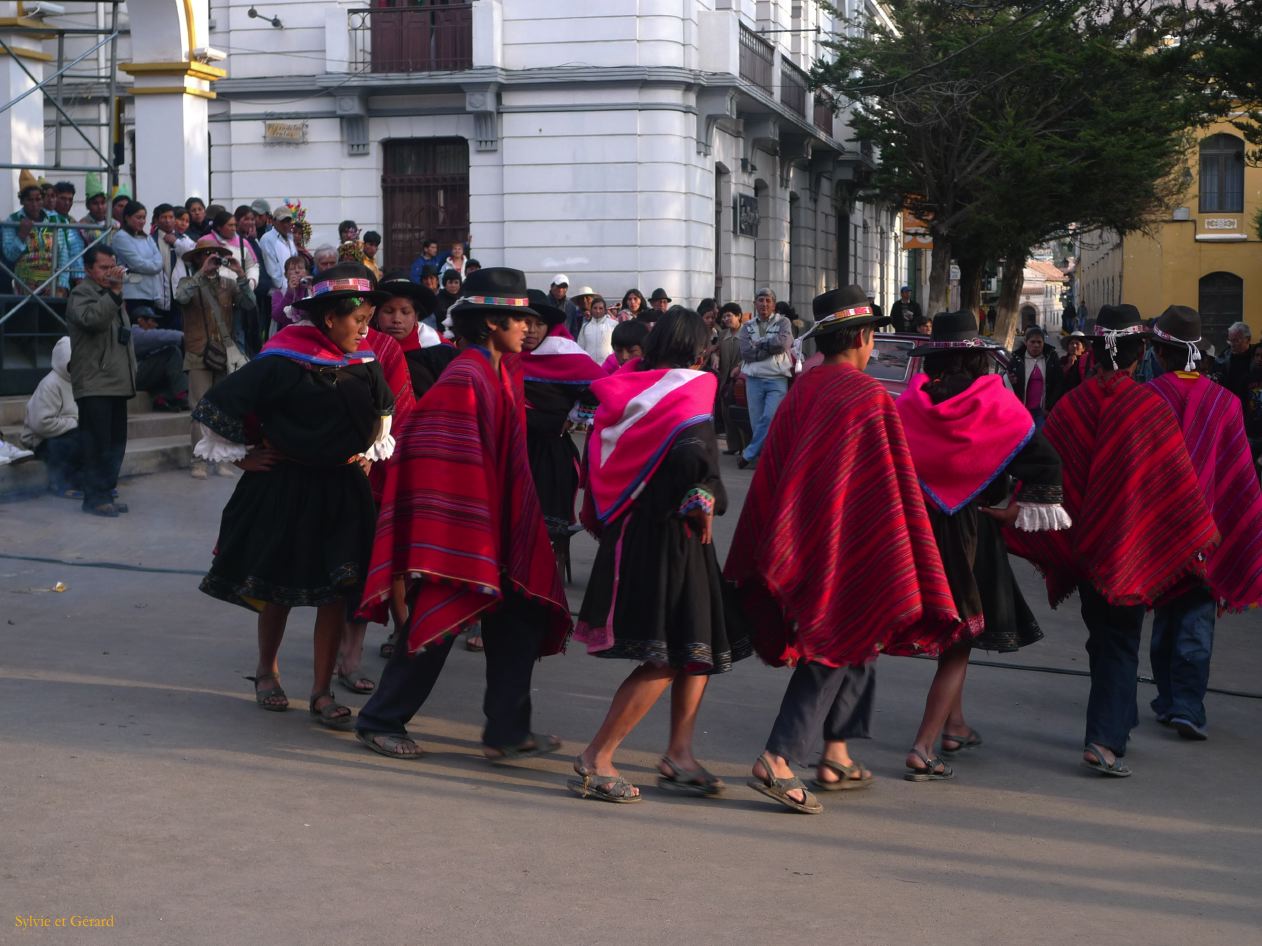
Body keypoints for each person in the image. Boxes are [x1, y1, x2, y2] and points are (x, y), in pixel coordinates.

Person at [725, 285, 961, 813]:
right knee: (835, 636)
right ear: (860, 336)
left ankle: (835, 751)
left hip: (810, 533)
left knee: (861, 629)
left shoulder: (805, 388)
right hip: (840, 537)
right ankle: (779, 757)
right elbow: (886, 477)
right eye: (872, 333)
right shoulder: (867, 396)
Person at [352, 267, 571, 761]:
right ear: (492, 324)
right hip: (460, 529)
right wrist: (463, 525)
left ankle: (507, 731)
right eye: (520, 320)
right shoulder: (466, 375)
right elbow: (429, 450)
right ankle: (379, 719)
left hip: (498, 527)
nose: (529, 329)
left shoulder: (501, 372)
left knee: (519, 621)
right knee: (437, 620)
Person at [1005, 304, 1219, 777]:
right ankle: (1103, 740)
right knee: (1120, 641)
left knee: (1103, 639)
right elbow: (1175, 489)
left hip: (1085, 550)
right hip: (1129, 548)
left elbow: (1046, 477)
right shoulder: (1148, 407)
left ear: (1097, 350)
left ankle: (1117, 721)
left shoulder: (1072, 405)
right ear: (1140, 351)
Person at [192, 261, 395, 730]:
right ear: (329, 319)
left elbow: (385, 408)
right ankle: (267, 672)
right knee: (279, 586)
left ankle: (321, 692)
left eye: (368, 320)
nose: (366, 331)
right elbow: (215, 405)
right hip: (287, 486)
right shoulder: (283, 360)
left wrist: (369, 450)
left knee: (334, 594)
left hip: (342, 491)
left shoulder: (362, 363)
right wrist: (242, 457)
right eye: (358, 320)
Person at [568, 308, 751, 803]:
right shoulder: (692, 388)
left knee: (697, 649)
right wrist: (706, 494)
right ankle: (596, 758)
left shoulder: (629, 388)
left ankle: (680, 753)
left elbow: (599, 453)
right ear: (700, 350)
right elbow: (695, 456)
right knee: (666, 656)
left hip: (640, 529)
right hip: (669, 536)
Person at [896, 310, 1069, 781]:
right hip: (974, 534)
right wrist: (1017, 510)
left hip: (921, 533)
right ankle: (923, 746)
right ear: (978, 360)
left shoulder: (910, 405)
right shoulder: (995, 403)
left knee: (955, 634)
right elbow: (1045, 463)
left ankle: (954, 726)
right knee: (960, 641)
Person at [1145, 305, 1262, 740]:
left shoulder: (1150, 397)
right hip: (1211, 532)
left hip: (1162, 533)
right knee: (1196, 621)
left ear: (1161, 352)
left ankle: (1172, 701)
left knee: (1166, 620)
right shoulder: (1224, 403)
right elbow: (1240, 476)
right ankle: (1185, 707)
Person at [519, 288, 605, 569]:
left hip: (550, 451)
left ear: (550, 326)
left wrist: (573, 415)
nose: (531, 330)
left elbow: (602, 391)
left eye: (539, 324)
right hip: (513, 446)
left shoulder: (565, 354)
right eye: (525, 322)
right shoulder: (505, 356)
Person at [66, 245, 137, 517]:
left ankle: (107, 492)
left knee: (116, 443)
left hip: (117, 380)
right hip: (95, 381)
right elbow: (91, 320)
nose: (110, 273)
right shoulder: (81, 293)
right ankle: (94, 498)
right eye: (103, 268)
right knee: (96, 444)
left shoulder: (112, 296)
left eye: (112, 266)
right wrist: (115, 294)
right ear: (88, 270)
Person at [176, 237, 256, 479]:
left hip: (224, 353)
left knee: (223, 409)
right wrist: (201, 273)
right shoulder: (188, 282)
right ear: (198, 258)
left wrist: (241, 274)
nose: (212, 258)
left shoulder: (228, 284)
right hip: (198, 352)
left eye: (215, 254)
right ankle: (199, 460)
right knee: (200, 408)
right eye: (206, 254)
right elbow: (180, 297)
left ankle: (219, 459)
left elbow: (250, 305)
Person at [19, 336, 85, 497]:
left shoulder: (79, 382)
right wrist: (75, 423)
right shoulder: (50, 384)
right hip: (41, 440)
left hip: (67, 432)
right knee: (72, 443)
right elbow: (41, 424)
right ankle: (60, 485)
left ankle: (88, 483)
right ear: (63, 360)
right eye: (72, 362)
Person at [736, 287, 793, 469]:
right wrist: (768, 348)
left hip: (777, 378)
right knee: (757, 421)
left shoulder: (783, 322)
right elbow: (746, 352)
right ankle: (764, 457)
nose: (764, 304)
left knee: (769, 417)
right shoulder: (747, 326)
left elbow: (783, 344)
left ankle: (749, 454)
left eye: (768, 300)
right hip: (754, 379)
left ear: (774, 304)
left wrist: (759, 345)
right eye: (761, 300)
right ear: (755, 304)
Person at [3, 173, 76, 296]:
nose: (34, 204)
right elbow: (10, 255)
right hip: (24, 286)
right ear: (22, 201)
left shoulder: (56, 220)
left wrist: (61, 285)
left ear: (42, 199)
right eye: (30, 200)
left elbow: (63, 255)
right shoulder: (12, 221)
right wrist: (22, 235)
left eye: (38, 199)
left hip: (53, 285)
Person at [130, 303, 188, 412]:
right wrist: (184, 336)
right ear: (141, 320)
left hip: (140, 376)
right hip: (133, 377)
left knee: (167, 365)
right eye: (152, 321)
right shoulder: (134, 333)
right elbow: (159, 337)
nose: (155, 325)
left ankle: (161, 400)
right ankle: (181, 395)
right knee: (172, 352)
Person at [111, 200, 164, 313]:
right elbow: (136, 263)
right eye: (138, 217)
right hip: (133, 294)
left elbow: (159, 259)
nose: (142, 221)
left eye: (144, 218)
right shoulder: (121, 237)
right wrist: (155, 266)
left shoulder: (147, 238)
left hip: (151, 293)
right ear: (127, 218)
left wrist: (155, 265)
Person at [1010, 325, 1064, 429]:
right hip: (1021, 411)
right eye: (1032, 342)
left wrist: (1049, 407)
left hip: (1042, 412)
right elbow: (1007, 383)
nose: (1036, 345)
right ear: (1026, 342)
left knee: (1041, 439)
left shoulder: (1051, 358)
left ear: (1043, 343)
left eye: (1039, 342)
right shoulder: (1016, 359)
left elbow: (1059, 383)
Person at [715, 302, 748, 455]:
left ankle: (746, 447)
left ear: (739, 316)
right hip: (725, 379)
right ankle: (733, 445)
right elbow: (714, 350)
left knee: (741, 414)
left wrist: (740, 366)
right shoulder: (722, 335)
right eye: (724, 316)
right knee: (726, 412)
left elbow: (750, 355)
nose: (726, 319)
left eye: (729, 315)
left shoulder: (747, 333)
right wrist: (715, 357)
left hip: (741, 379)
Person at [206, 211, 260, 291]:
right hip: (213, 292)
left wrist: (251, 282)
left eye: (235, 225)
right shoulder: (205, 242)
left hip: (239, 291)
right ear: (219, 227)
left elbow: (252, 266)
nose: (233, 228)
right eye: (230, 225)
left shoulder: (243, 242)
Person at [1212, 321, 1253, 409]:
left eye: (1236, 341)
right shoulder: (1223, 357)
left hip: (1251, 405)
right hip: (1229, 404)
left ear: (1248, 339)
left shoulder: (1256, 356)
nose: (1232, 345)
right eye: (1230, 341)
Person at [270, 255, 313, 334]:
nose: (297, 271)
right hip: (288, 335)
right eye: (292, 269)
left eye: (300, 268)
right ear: (286, 275)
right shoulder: (279, 292)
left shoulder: (312, 288)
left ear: (306, 272)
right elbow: (277, 317)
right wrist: (289, 293)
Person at [259, 207, 298, 290]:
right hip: (278, 293)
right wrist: (285, 289)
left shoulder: (290, 238)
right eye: (282, 221)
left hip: (292, 288)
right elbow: (272, 271)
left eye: (288, 221)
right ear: (274, 221)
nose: (285, 224)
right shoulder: (267, 239)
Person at [575, 293, 617, 363]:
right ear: (591, 309)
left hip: (608, 365)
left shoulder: (613, 325)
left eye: (600, 308)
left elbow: (617, 347)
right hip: (590, 366)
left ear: (605, 310)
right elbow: (580, 347)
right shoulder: (585, 327)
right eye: (595, 308)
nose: (598, 311)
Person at [78, 173, 114, 248]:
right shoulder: (82, 225)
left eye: (103, 203)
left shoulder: (115, 224)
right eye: (95, 203)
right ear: (88, 205)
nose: (100, 207)